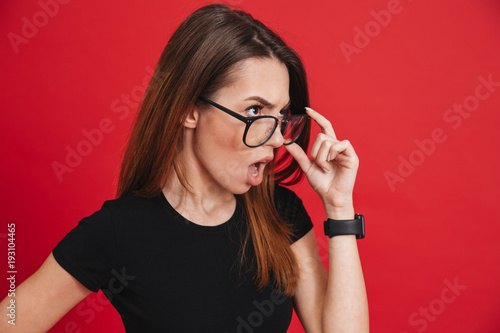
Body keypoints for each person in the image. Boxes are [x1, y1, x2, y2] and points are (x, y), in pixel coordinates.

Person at [0, 4, 368, 332]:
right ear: (189, 109)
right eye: (255, 112)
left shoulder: (280, 213)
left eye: (281, 115)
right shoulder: (118, 230)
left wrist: (339, 208)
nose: (276, 139)